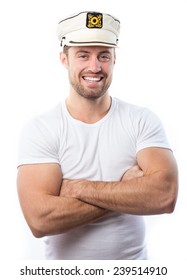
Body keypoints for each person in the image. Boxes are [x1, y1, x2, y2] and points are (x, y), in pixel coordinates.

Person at [17, 11, 178, 260]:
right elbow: (40, 220)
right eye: (83, 55)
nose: (95, 67)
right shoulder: (42, 128)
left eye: (104, 56)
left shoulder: (141, 120)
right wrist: (127, 190)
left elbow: (165, 195)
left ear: (114, 59)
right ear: (64, 59)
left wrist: (77, 188)